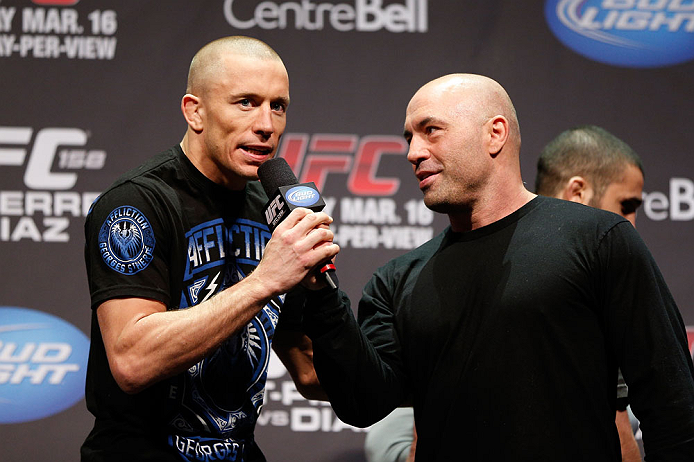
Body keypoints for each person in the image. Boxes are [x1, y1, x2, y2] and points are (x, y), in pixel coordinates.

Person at [300, 74, 694, 460]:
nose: (413, 152)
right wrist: (322, 292)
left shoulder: (598, 240)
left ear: (495, 133)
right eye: (409, 138)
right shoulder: (397, 280)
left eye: (431, 131)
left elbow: (672, 400)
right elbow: (362, 404)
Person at [81, 36, 338, 462]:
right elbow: (132, 361)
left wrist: (430, 379)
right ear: (194, 111)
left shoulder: (272, 210)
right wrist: (264, 282)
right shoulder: (137, 204)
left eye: (278, 105)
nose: (266, 124)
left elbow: (310, 369)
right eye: (245, 102)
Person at [536, 125, 646, 460]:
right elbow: (616, 424)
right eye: (625, 206)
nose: (632, 224)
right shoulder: (590, 289)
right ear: (577, 193)